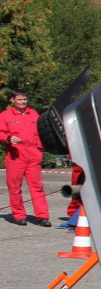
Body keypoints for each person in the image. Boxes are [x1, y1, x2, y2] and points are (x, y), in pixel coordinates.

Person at [0, 91, 52, 227]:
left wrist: (40, 149)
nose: (23, 102)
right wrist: (8, 138)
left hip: (33, 153)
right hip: (15, 154)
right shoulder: (5, 116)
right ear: (12, 100)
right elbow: (1, 133)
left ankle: (43, 216)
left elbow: (41, 133)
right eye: (20, 99)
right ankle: (19, 215)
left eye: (25, 99)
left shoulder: (34, 114)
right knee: (15, 186)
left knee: (37, 187)